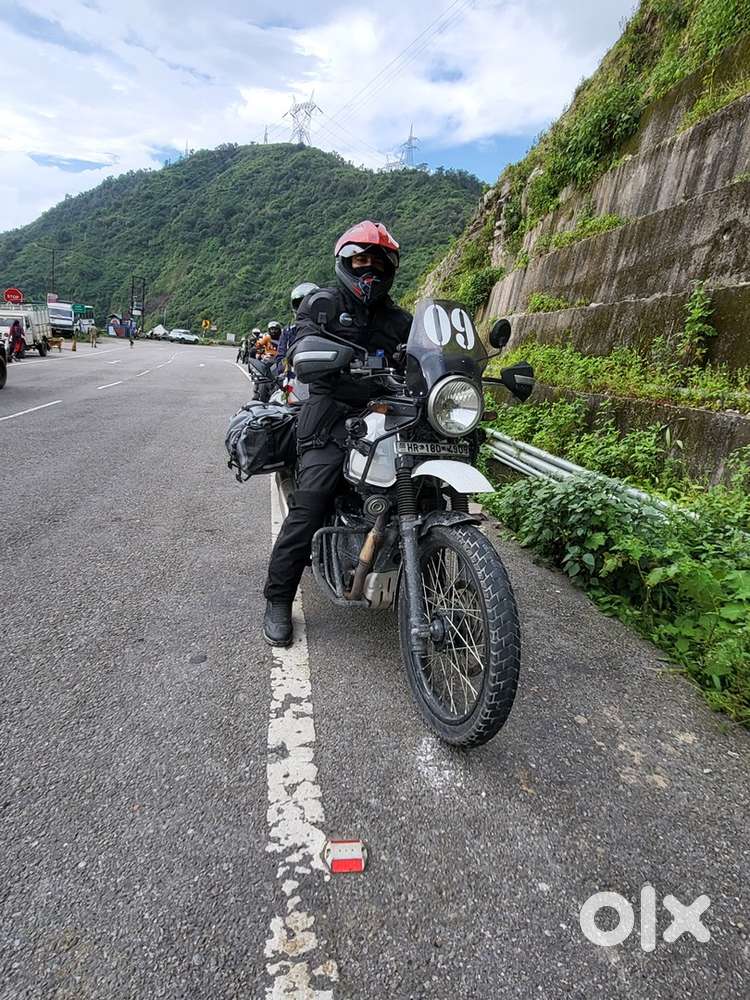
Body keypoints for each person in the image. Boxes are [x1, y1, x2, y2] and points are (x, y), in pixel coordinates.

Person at [262, 220, 412, 646]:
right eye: (360, 260)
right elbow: (301, 348)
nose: (369, 270)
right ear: (345, 262)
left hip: (387, 413)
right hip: (330, 417)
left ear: (390, 267)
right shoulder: (321, 305)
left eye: (378, 262)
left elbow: (426, 358)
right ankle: (277, 599)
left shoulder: (402, 320)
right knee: (311, 505)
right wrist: (319, 354)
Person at [274, 282, 319, 374]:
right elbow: (280, 359)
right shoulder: (288, 332)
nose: (305, 308)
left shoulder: (330, 328)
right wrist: (288, 365)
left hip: (325, 379)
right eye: (301, 304)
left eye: (309, 303)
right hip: (296, 379)